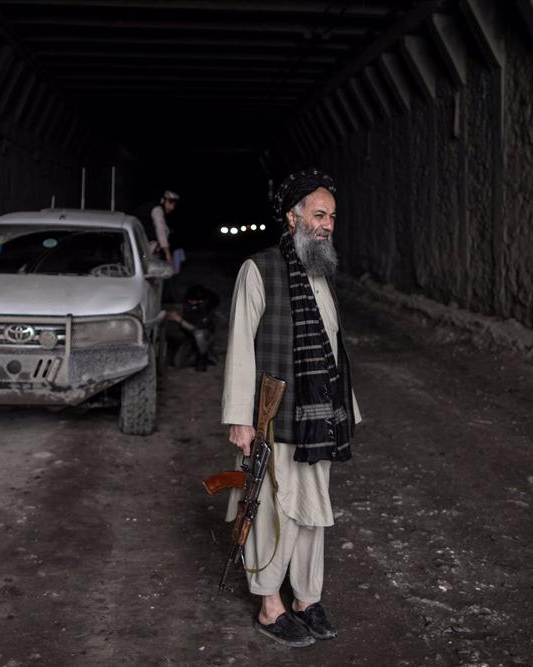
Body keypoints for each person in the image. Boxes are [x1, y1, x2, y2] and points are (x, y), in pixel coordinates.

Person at [221, 168, 361, 648]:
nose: (327, 225)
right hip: (274, 415)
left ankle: (305, 599)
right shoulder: (258, 269)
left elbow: (332, 349)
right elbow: (241, 346)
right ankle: (270, 606)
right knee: (272, 511)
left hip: (319, 419)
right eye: (319, 215)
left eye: (332, 217)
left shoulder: (321, 271)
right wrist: (240, 419)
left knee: (312, 511)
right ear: (292, 217)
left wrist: (346, 408)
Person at [134, 190, 179, 264]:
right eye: (170, 203)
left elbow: (165, 231)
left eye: (174, 205)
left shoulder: (159, 210)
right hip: (141, 246)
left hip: (143, 245)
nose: (172, 207)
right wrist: (167, 253)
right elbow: (161, 231)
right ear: (163, 200)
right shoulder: (157, 210)